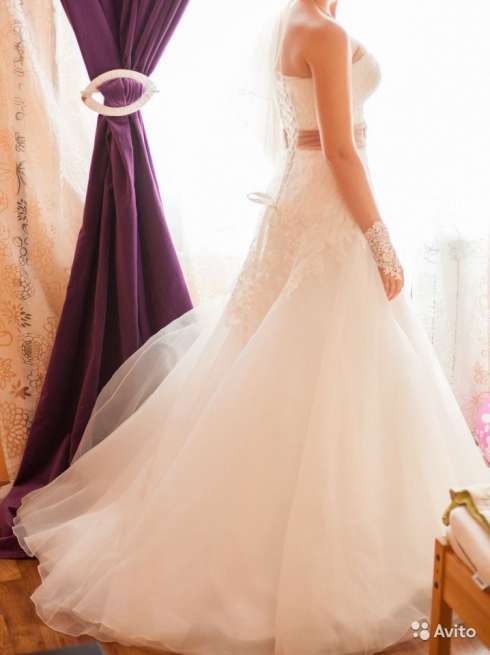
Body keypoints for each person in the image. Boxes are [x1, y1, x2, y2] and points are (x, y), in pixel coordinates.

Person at [12, 1, 490, 654]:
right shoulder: (325, 32)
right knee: (327, 370)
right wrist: (382, 243)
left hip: (302, 199)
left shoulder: (296, 22)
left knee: (282, 369)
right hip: (329, 211)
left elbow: (307, 139)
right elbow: (342, 149)